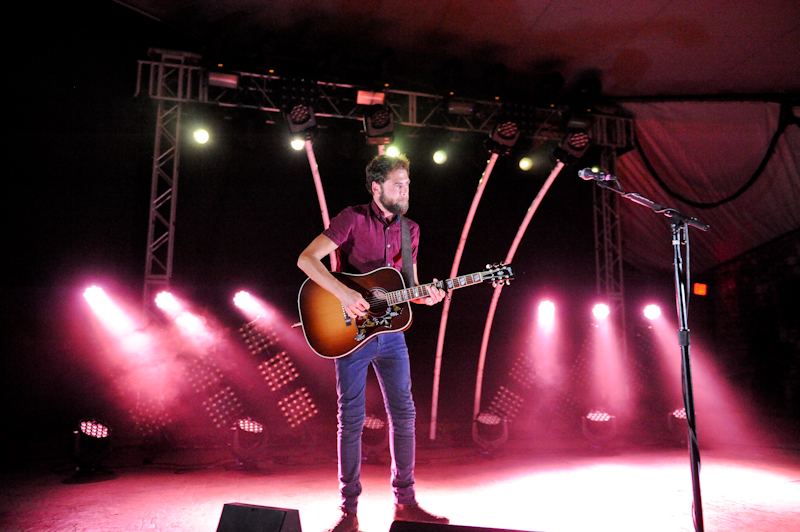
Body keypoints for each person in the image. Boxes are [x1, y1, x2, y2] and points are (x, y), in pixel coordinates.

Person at [298, 154, 449, 532]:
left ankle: (406, 503)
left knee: (405, 415)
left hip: (391, 334)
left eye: (408, 183)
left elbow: (407, 286)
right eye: (398, 183)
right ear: (377, 187)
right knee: (350, 420)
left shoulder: (410, 229)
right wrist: (343, 293)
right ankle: (348, 511)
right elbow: (306, 259)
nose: (406, 189)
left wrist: (425, 295)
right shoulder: (352, 218)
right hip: (350, 333)